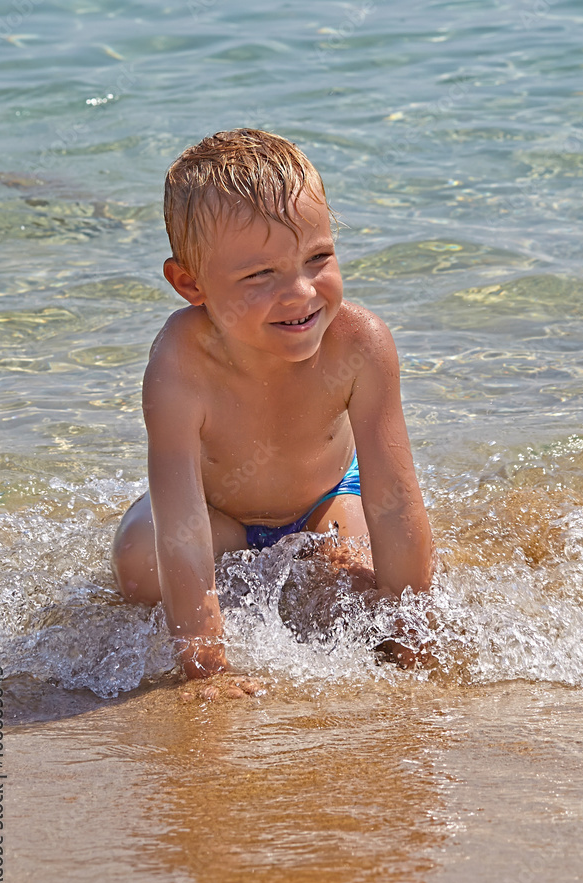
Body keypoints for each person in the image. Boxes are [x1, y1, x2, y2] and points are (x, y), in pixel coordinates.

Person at [111, 128, 433, 683]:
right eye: (260, 275)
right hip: (217, 513)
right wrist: (206, 668)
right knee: (140, 572)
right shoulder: (180, 364)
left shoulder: (359, 344)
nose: (302, 293)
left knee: (360, 590)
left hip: (323, 501)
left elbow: (395, 503)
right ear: (190, 283)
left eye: (318, 258)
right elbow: (183, 526)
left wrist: (417, 633)